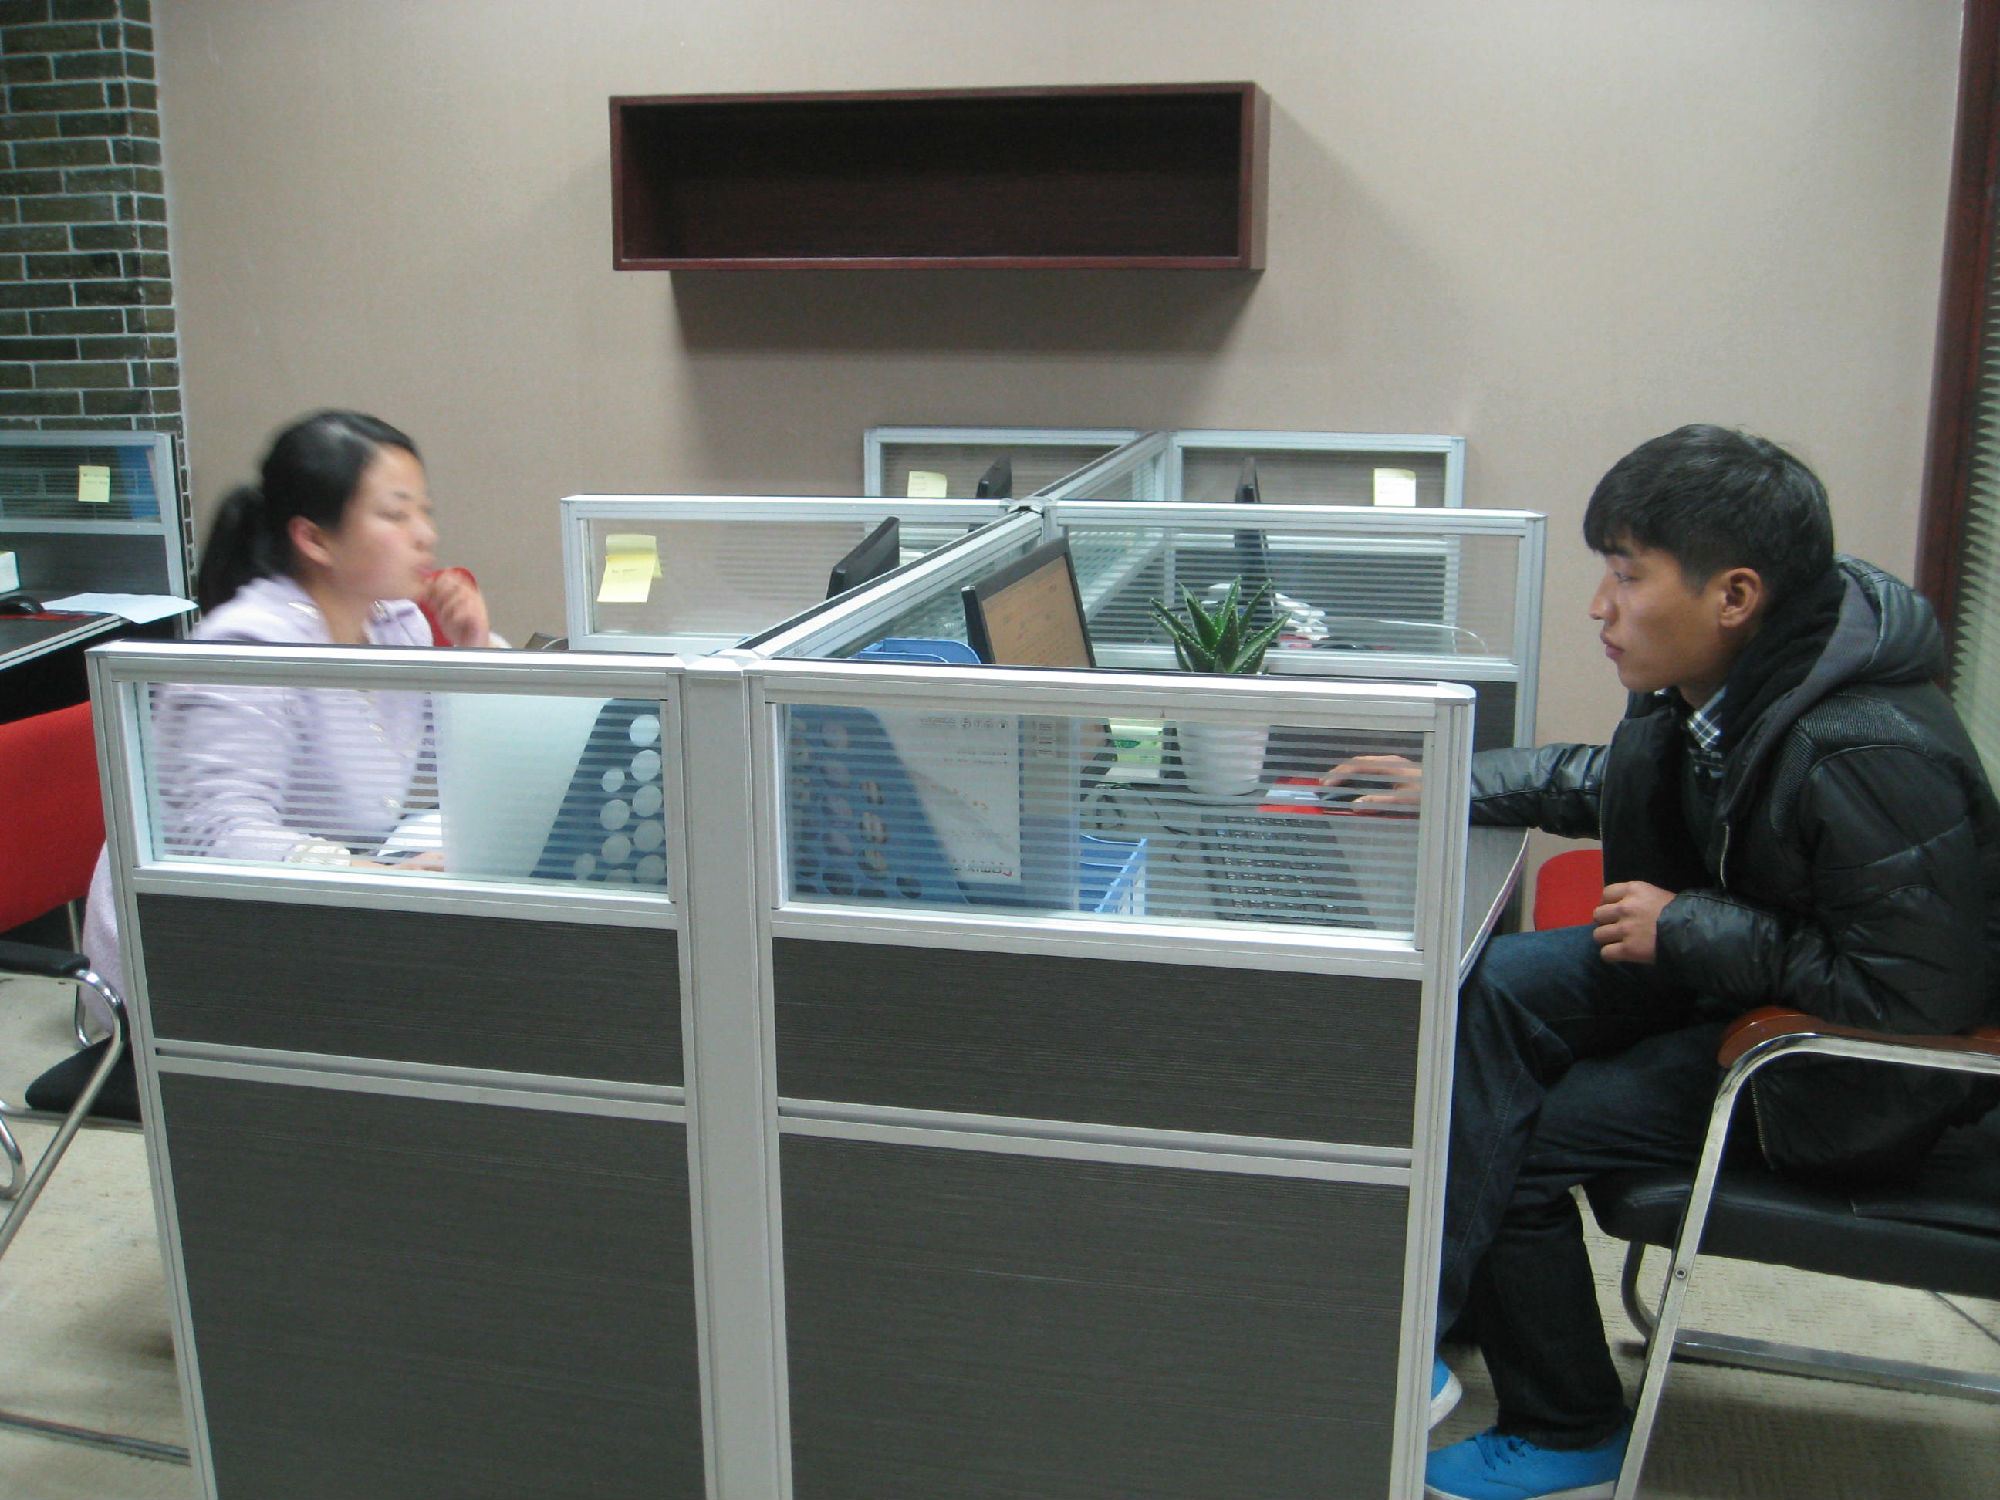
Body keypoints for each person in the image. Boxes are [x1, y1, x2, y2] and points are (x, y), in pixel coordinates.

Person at [1333, 424, 2000, 1500]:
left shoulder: (1862, 749)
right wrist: (1458, 780)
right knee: (1482, 995)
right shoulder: (1737, 683)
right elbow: (1627, 783)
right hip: (1737, 975)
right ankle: (1437, 1313)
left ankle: (1568, 1425)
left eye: (1627, 575)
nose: (1600, 606)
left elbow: (1913, 1002)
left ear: (1733, 595)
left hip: (1834, 1073)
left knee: (1522, 1137)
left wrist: (1688, 928)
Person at [79, 410, 498, 1012]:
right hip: (178, 962)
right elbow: (220, 838)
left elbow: (446, 764)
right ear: (315, 539)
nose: (424, 535)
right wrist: (382, 876)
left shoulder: (394, 625)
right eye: (395, 514)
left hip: (305, 914)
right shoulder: (247, 649)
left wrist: (473, 648)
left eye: (425, 511)